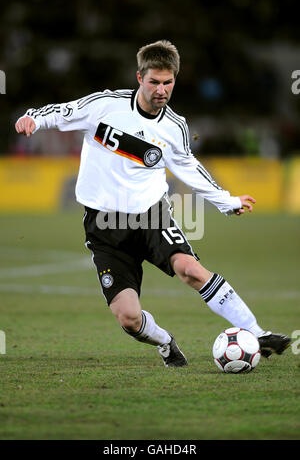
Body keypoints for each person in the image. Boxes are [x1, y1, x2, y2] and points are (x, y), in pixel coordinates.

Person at [15, 40, 291, 367]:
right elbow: (62, 112)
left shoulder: (175, 127)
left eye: (168, 82)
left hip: (152, 216)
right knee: (129, 318)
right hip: (104, 226)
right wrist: (33, 118)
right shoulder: (106, 105)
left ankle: (256, 332)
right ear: (139, 77)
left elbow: (190, 167)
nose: (161, 90)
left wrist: (226, 201)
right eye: (154, 82)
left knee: (190, 270)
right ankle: (164, 341)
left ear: (175, 79)